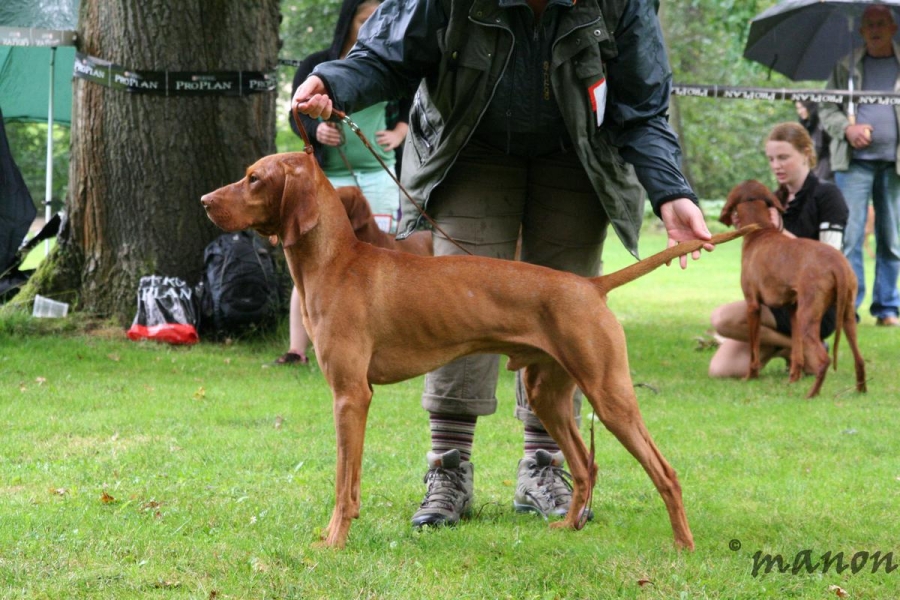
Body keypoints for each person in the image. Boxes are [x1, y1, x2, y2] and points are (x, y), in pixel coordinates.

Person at [292, 0, 713, 528]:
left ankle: (545, 468)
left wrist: (671, 192)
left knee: (565, 316)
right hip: (470, 146)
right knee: (447, 307)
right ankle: (448, 468)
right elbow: (388, 51)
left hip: (578, 155)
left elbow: (644, 107)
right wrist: (332, 82)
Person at [275, 0, 410, 365]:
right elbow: (295, 113)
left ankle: (380, 341)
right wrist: (317, 131)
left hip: (380, 175)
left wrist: (400, 132)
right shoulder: (318, 64)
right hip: (329, 178)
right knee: (311, 258)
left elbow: (413, 101)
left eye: (379, 18)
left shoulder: (397, 63)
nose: (372, 25)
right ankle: (297, 349)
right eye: (365, 19)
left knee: (381, 256)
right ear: (349, 21)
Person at [708, 122, 849, 378]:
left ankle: (806, 344)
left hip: (815, 304)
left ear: (806, 153)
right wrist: (747, 229)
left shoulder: (828, 195)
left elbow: (831, 256)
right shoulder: (771, 198)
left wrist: (781, 230)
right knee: (721, 370)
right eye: (771, 159)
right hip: (776, 302)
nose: (776, 166)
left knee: (723, 319)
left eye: (783, 157)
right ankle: (794, 347)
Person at [819, 4, 900, 327]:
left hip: (894, 166)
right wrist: (847, 129)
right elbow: (827, 108)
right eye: (870, 25)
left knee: (891, 239)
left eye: (882, 23)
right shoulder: (846, 66)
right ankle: (847, 307)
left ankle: (887, 307)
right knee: (850, 237)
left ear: (893, 28)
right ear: (862, 31)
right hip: (853, 165)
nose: (876, 29)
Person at [796, 101, 832, 181]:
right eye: (798, 109)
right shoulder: (804, 126)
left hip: (825, 164)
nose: (800, 112)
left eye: (802, 108)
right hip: (812, 165)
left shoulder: (822, 123)